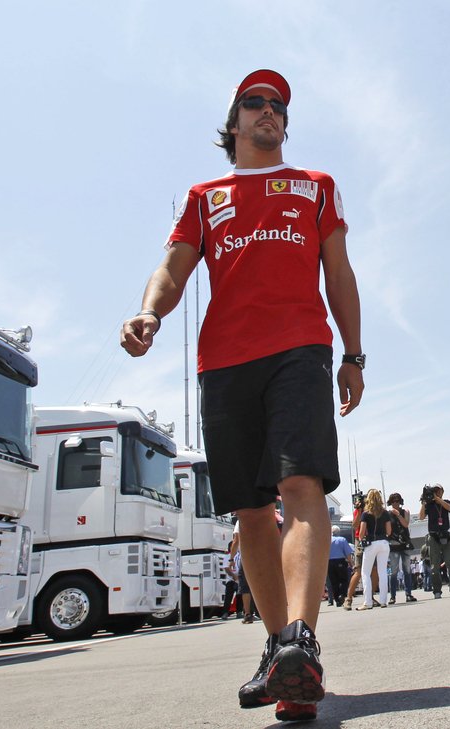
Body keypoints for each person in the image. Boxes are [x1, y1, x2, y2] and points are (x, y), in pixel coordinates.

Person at [120, 69, 364, 721]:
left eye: (278, 104)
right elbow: (173, 266)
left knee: (301, 484)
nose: (268, 111)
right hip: (225, 361)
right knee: (251, 512)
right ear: (233, 124)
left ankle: (301, 640)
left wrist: (353, 354)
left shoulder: (316, 186)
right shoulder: (205, 196)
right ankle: (285, 658)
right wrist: (149, 312)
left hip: (300, 349)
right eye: (254, 103)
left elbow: (339, 271)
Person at [419, 484, 450, 598]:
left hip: (445, 535)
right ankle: (437, 590)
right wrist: (424, 503)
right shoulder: (429, 504)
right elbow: (421, 517)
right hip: (434, 537)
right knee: (435, 566)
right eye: (435, 490)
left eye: (439, 490)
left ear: (443, 491)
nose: (437, 492)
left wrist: (437, 499)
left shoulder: (446, 502)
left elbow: (449, 508)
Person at [355, 489, 392, 610]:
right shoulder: (385, 513)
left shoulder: (366, 514)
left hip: (371, 543)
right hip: (384, 543)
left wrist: (362, 538)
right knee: (382, 572)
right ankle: (383, 601)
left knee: (365, 572)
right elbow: (389, 531)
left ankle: (368, 602)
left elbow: (361, 533)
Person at [386, 493, 417, 604]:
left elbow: (406, 524)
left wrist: (399, 515)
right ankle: (393, 596)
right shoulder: (387, 514)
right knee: (394, 571)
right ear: (390, 502)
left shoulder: (405, 512)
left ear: (400, 502)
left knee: (407, 569)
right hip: (393, 544)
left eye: (397, 501)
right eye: (393, 501)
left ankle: (408, 594)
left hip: (405, 544)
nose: (395, 503)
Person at [327, 526, 354, 608]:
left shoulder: (327, 540)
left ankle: (337, 600)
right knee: (343, 580)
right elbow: (348, 553)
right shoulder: (342, 539)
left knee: (333, 582)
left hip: (329, 562)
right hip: (340, 561)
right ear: (339, 532)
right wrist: (351, 562)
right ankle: (342, 594)